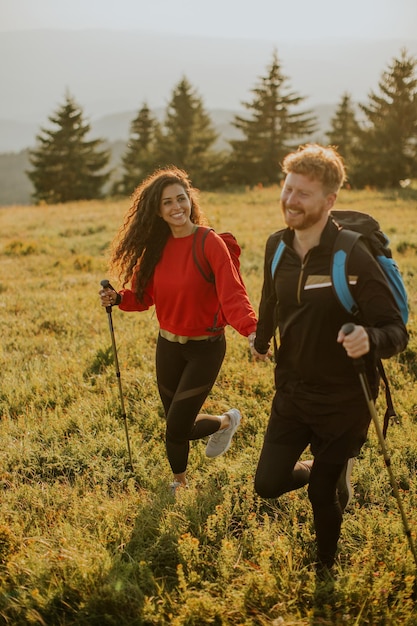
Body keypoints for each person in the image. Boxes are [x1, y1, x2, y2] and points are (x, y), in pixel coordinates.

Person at [250, 144, 408, 575]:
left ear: (329, 200)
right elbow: (270, 299)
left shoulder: (350, 254)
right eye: (287, 189)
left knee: (323, 492)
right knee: (267, 484)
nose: (290, 200)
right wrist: (261, 339)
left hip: (345, 399)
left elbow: (397, 332)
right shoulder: (277, 247)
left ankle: (325, 567)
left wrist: (368, 338)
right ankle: (322, 470)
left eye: (303, 193)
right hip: (293, 391)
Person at [99, 166, 257, 495]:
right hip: (168, 346)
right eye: (168, 202)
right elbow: (144, 297)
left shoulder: (209, 242)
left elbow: (233, 294)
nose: (177, 207)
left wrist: (252, 331)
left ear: (190, 200)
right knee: (175, 422)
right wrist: (118, 298)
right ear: (157, 211)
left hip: (205, 349)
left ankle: (197, 460)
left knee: (177, 426)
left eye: (181, 199)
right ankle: (208, 446)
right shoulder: (156, 251)